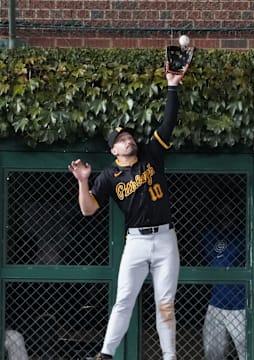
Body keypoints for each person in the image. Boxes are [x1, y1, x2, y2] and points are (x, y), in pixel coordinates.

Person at [68, 71, 185, 360]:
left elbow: (168, 123)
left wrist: (172, 86)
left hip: (165, 238)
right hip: (136, 242)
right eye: (121, 139)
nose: (127, 139)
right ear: (113, 149)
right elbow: (88, 209)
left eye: (129, 135)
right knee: (123, 299)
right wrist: (83, 181)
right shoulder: (109, 176)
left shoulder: (151, 155)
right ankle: (106, 354)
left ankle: (169, 357)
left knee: (165, 303)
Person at [202, 205, 247, 360]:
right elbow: (217, 260)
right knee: (212, 355)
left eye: (229, 212)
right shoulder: (211, 234)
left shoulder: (243, 234)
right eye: (221, 213)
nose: (225, 216)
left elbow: (231, 257)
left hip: (240, 305)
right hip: (216, 304)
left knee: (246, 353)